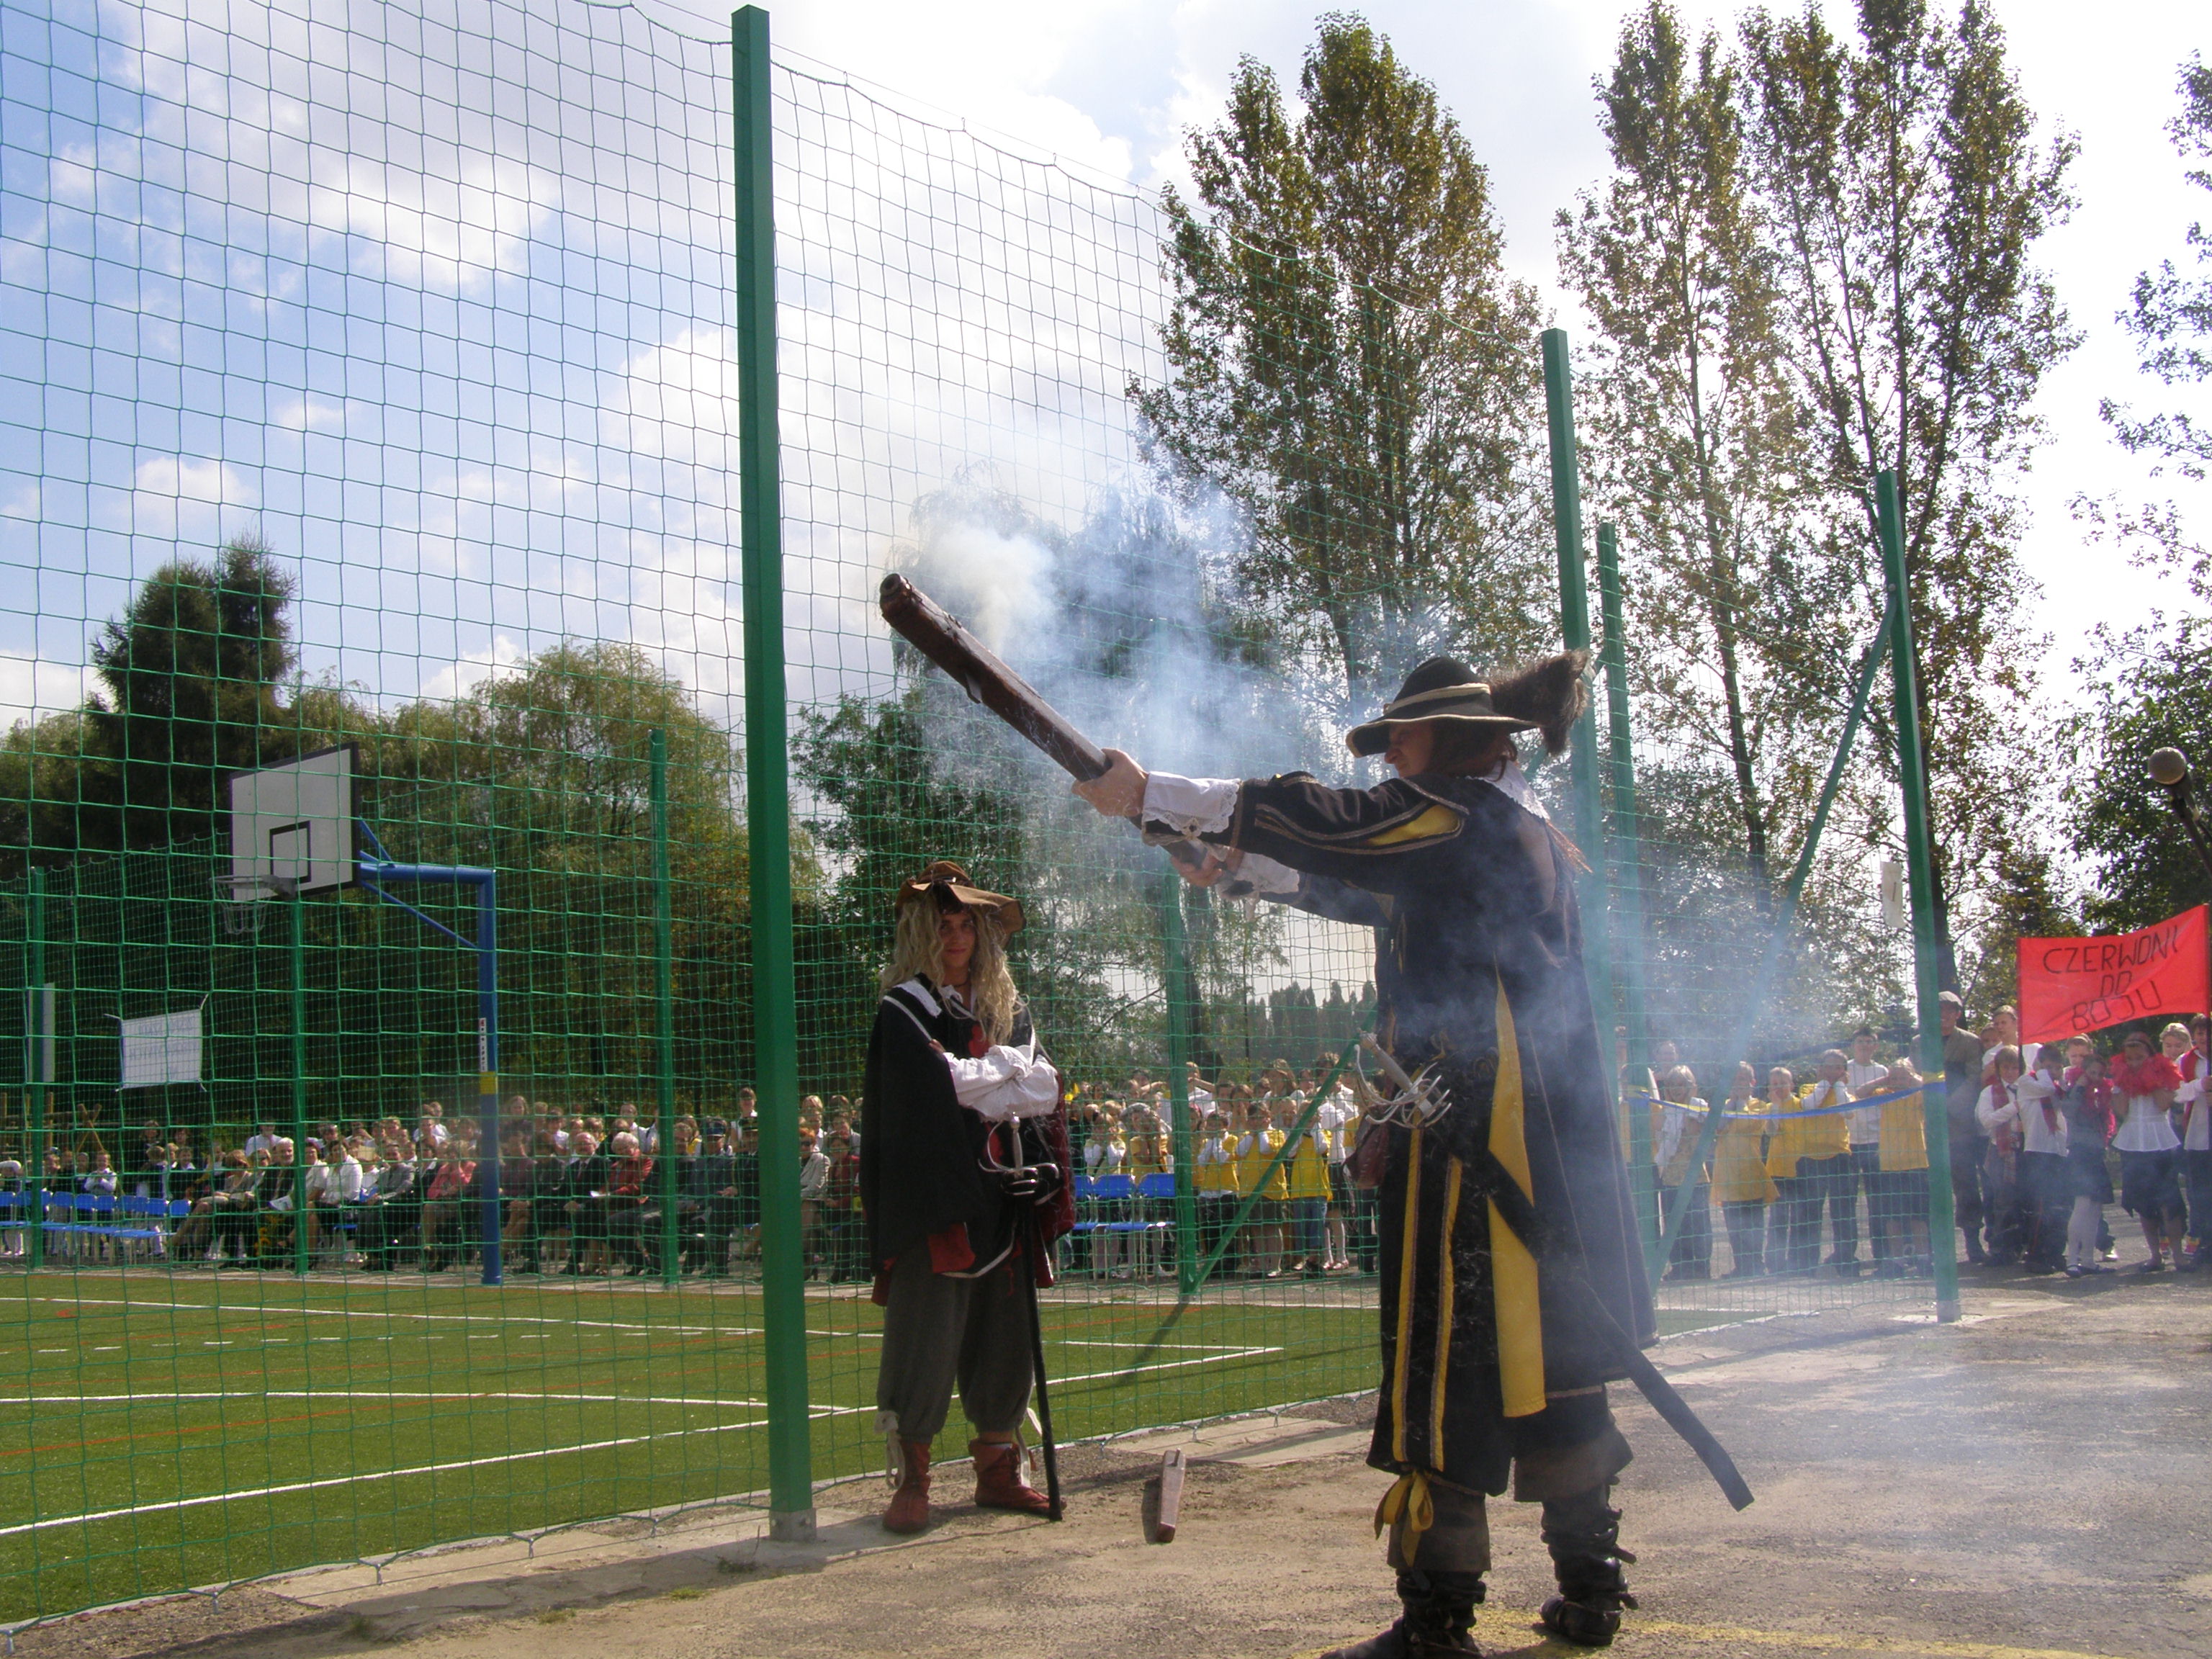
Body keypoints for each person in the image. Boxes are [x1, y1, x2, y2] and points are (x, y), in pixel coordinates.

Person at [1075, 652, 1658, 1656]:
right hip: (1545, 1145)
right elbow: (1355, 883)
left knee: (1442, 1368)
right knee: (1557, 1362)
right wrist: (1228, 859)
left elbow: (1339, 824)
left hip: (1475, 1133)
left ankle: (1437, 1623)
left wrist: (1155, 793)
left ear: (1452, 740)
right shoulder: (1499, 829)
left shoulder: (1458, 817)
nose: (1391, 756)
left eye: (1403, 738)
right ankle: (1590, 1586)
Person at [860, 861, 1072, 1536]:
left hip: (1006, 1194)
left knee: (1006, 1335)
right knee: (924, 1337)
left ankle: (999, 1469)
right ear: (922, 933)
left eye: (966, 925)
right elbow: (934, 1088)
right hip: (936, 1199)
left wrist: (981, 1078)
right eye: (943, 925)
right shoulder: (903, 1009)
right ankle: (914, 1478)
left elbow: (1045, 1089)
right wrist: (1002, 1076)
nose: (956, 938)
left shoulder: (1008, 1008)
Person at [2110, 1030, 2185, 1271]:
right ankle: (2155, 1256)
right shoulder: (2122, 1075)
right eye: (2130, 1059)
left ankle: (2178, 1255)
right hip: (2133, 1142)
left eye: (2139, 1058)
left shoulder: (2164, 1072)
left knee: (2169, 1202)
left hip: (2159, 1141)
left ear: (2150, 1056)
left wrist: (2150, 1080)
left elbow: (2163, 1104)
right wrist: (2124, 1081)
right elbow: (2122, 1111)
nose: (2134, 1063)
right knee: (2143, 1203)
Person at [2056, 1041, 2116, 1277]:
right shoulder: (2074, 1088)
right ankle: (2073, 1260)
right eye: (2092, 1072)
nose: (2096, 1077)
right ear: (2084, 1071)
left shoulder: (2102, 1093)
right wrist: (2081, 1087)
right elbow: (2068, 1111)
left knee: (2094, 1209)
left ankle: (2089, 1260)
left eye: (2100, 1074)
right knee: (2081, 1207)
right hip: (2080, 1152)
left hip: (2096, 1152)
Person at [1711, 1063, 1775, 1280]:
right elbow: (1717, 1127)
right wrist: (1731, 1104)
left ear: (1752, 1083)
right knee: (1734, 1225)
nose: (1737, 1085)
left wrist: (1739, 1104)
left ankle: (1756, 1265)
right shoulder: (1723, 1106)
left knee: (1754, 1223)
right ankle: (1741, 1266)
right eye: (1733, 1080)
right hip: (1727, 1175)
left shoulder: (1760, 1106)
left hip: (1750, 1173)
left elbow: (1751, 1125)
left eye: (1742, 1080)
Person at [1938, 993, 1989, 1264]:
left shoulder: (1970, 1042)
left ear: (1958, 1014)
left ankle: (1973, 1241)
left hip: (1960, 1127)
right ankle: (1931, 1248)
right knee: (1931, 1188)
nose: (1944, 1015)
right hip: (1929, 1129)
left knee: (1967, 1187)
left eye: (1950, 1010)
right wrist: (1931, 1110)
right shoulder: (1919, 1042)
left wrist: (1947, 1107)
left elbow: (1973, 1079)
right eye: (1939, 1010)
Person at [1651, 1065, 1710, 1281]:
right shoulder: (1667, 1109)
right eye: (1672, 1085)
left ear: (1691, 1086)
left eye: (1681, 1085)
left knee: (1698, 1223)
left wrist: (1686, 1112)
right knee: (1673, 1223)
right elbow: (1656, 1125)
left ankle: (1701, 1266)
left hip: (1695, 1176)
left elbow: (1694, 1130)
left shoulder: (1699, 1106)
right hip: (1670, 1176)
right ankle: (1680, 1266)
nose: (1676, 1089)